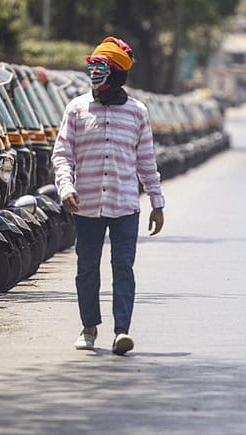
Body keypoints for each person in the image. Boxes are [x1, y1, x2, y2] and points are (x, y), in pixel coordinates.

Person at [52, 36, 165, 356]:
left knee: (123, 268)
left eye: (100, 68)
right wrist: (66, 187)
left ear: (116, 74)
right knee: (86, 267)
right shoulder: (76, 109)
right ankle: (89, 327)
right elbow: (62, 154)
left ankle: (121, 331)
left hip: (126, 205)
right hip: (85, 205)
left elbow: (146, 161)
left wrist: (157, 203)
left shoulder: (137, 113)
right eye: (92, 67)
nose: (94, 74)